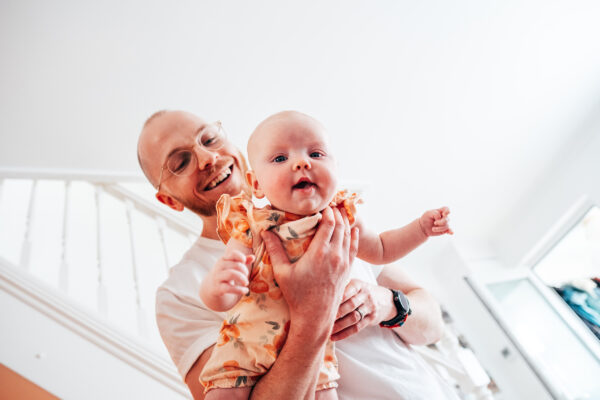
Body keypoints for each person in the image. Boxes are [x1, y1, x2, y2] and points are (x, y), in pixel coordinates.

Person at [137, 109, 460, 400]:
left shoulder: (327, 212)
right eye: (181, 162)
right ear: (169, 202)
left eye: (209, 138)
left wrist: (384, 303)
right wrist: (312, 313)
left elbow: (432, 325)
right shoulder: (179, 294)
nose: (207, 158)